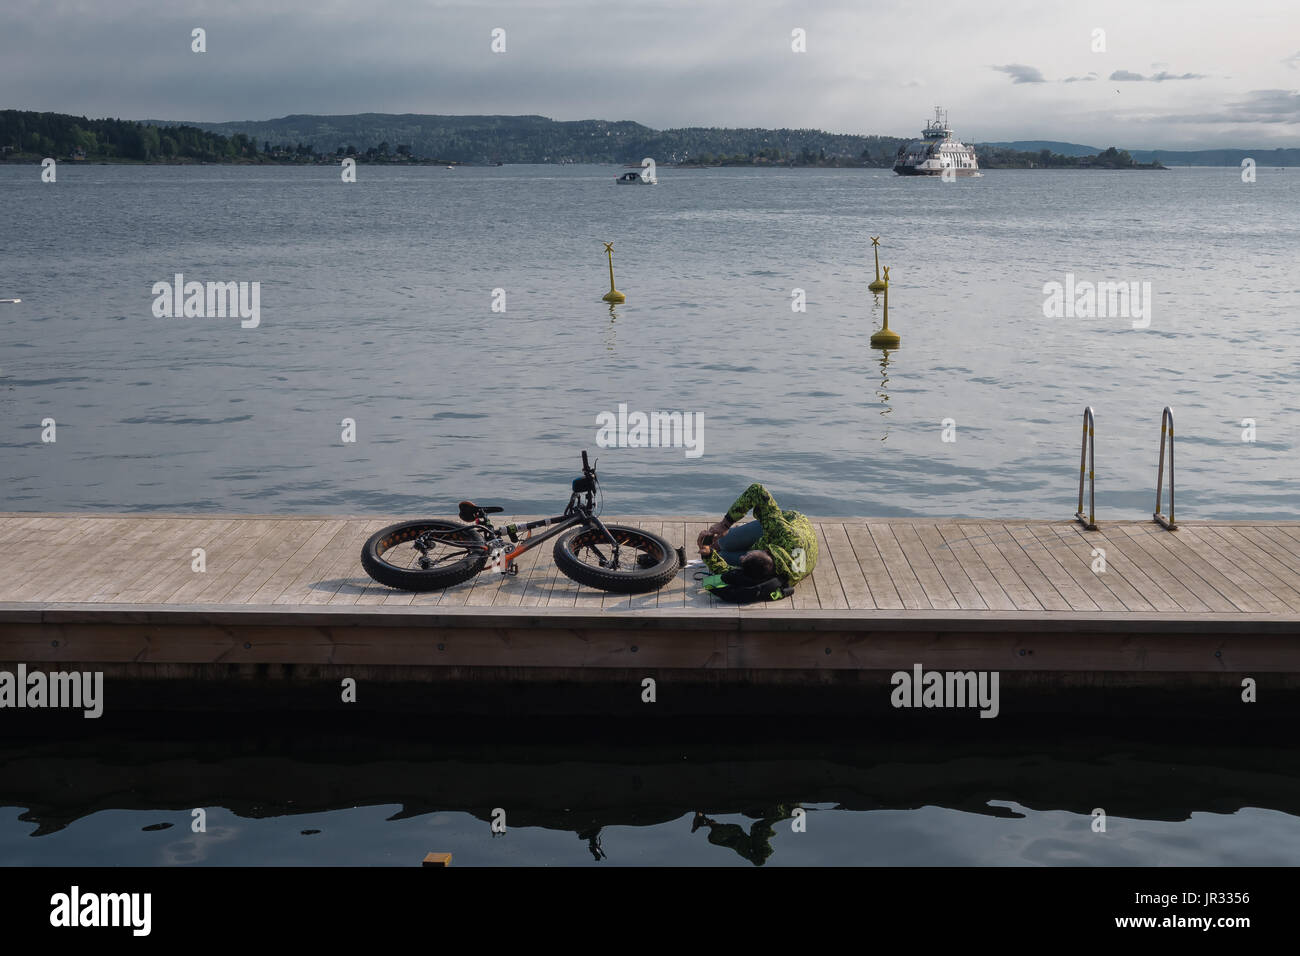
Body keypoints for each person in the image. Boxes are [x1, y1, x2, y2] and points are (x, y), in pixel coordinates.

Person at [696, 483, 817, 595]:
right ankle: (728, 539)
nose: (742, 557)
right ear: (766, 550)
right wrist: (724, 525)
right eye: (748, 554)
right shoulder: (781, 531)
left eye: (745, 556)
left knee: (723, 556)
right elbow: (757, 490)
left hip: (783, 552)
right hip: (792, 524)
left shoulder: (773, 578)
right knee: (724, 542)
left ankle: (729, 543)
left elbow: (731, 573)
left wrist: (708, 554)